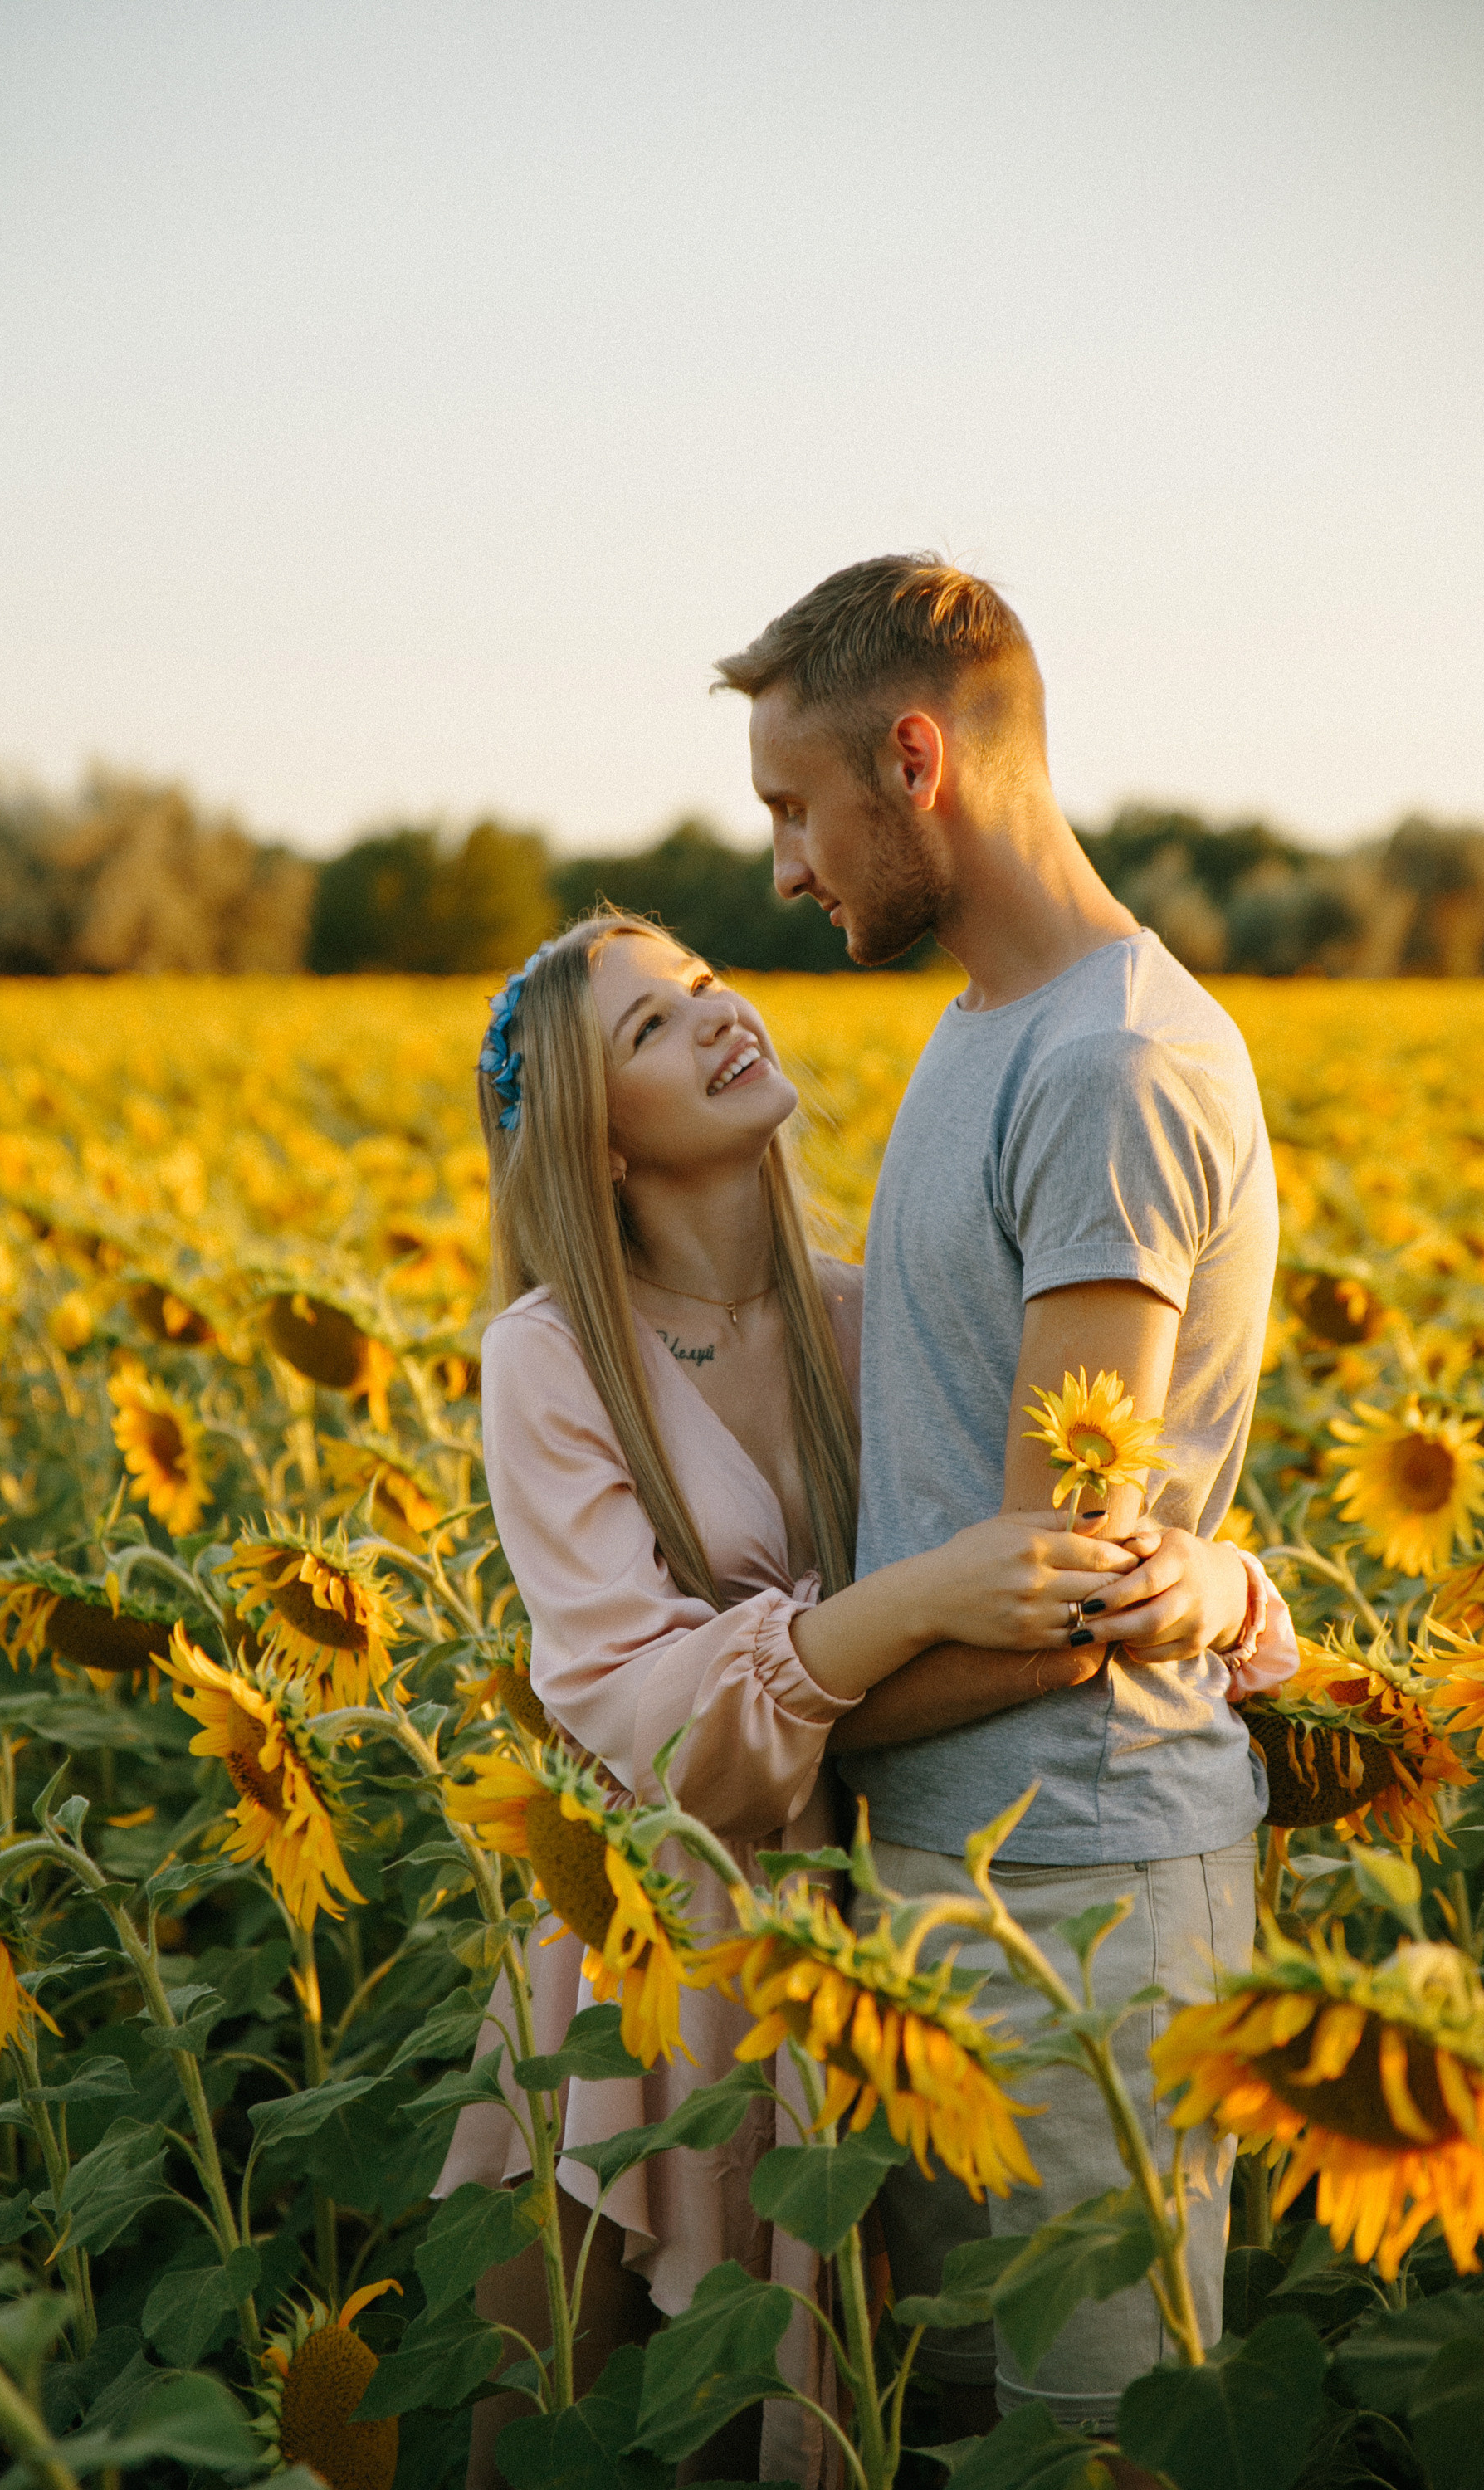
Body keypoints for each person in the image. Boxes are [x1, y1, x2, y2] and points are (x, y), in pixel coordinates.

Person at [440, 907, 1287, 2488]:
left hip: (867, 1954)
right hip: (651, 1961)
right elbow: (638, 1717)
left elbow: (1084, 1540)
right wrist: (914, 1600)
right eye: (649, 1029)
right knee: (552, 2431)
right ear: (597, 1143)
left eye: (701, 985)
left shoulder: (866, 1312)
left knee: (851, 2422)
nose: (716, 1016)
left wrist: (1229, 1590)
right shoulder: (553, 1356)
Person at [714, 554, 1286, 2448]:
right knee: (950, 2417)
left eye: (796, 810)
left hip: (1091, 1889)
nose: (786, 868)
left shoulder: (1114, 1063)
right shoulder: (987, 1034)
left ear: (912, 757)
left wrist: (777, 1726)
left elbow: (1066, 1585)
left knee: (1088, 2436)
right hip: (952, 1872)